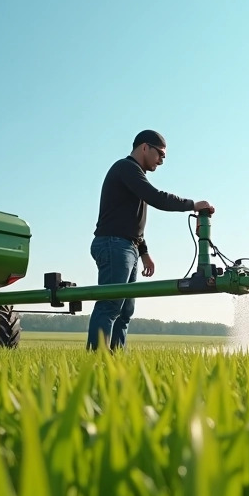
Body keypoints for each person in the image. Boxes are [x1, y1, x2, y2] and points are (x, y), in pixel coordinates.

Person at [86, 130, 214, 350]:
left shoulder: (134, 176)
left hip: (127, 246)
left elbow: (131, 221)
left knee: (125, 311)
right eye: (160, 155)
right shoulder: (126, 168)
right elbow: (157, 198)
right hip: (113, 244)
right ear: (145, 147)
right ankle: (95, 364)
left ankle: (116, 362)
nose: (161, 161)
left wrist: (143, 253)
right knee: (110, 305)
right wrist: (193, 204)